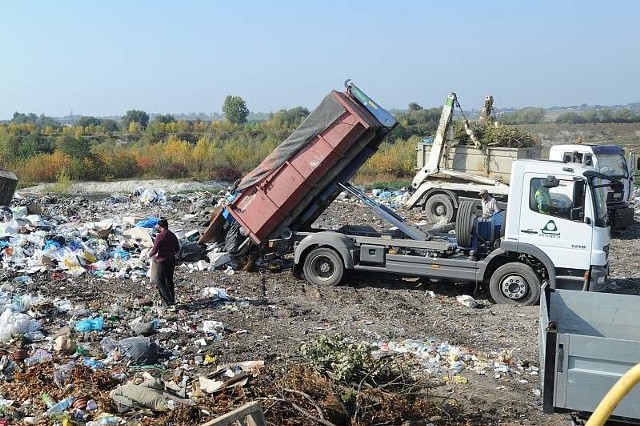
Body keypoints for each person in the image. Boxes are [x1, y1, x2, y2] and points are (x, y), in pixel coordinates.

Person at [148, 218, 180, 307]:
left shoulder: (160, 236)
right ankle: (172, 300)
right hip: (171, 260)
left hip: (162, 261)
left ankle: (166, 302)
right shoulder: (172, 235)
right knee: (169, 280)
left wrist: (149, 255)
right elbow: (177, 248)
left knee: (160, 280)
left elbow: (155, 250)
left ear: (159, 226)